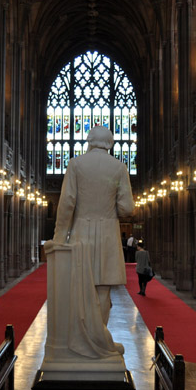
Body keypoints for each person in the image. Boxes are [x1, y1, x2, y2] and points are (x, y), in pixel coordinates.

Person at [51, 125, 134, 358]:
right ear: (110, 143)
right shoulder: (119, 167)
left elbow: (67, 203)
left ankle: (80, 343)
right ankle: (100, 343)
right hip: (108, 234)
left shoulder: (76, 164)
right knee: (102, 293)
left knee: (80, 290)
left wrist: (59, 238)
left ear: (89, 141)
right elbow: (127, 208)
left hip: (80, 234)